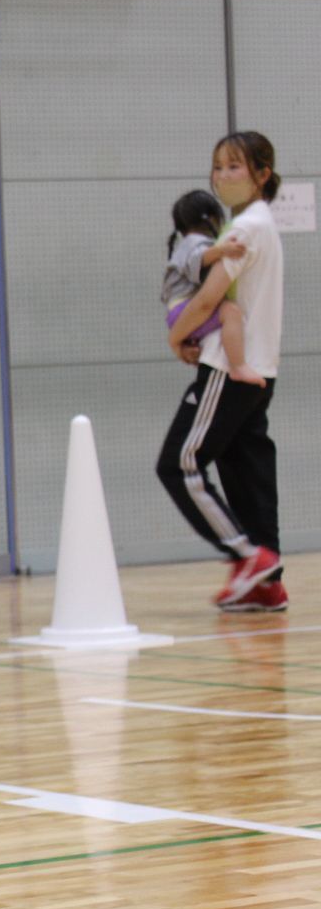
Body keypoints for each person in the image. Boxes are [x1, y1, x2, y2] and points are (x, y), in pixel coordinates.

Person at [159, 131, 286, 611]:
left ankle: (246, 556)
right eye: (218, 167)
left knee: (179, 463)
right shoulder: (258, 223)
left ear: (262, 174)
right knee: (248, 473)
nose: (223, 176)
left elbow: (209, 298)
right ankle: (267, 585)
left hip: (227, 371)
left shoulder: (244, 230)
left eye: (234, 166)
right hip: (260, 370)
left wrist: (176, 339)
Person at [163, 189, 259, 386]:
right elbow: (197, 260)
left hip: (179, 312)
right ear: (211, 218)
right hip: (185, 308)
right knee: (231, 312)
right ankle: (238, 365)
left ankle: (190, 347)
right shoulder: (194, 242)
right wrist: (222, 250)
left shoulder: (185, 244)